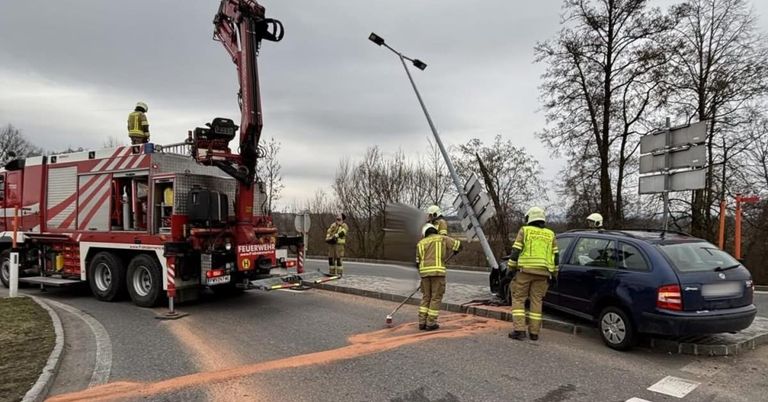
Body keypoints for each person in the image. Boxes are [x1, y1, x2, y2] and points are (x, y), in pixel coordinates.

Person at [507, 206, 559, 341]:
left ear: (529, 218)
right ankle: (534, 333)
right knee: (537, 301)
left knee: (519, 299)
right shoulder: (550, 234)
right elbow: (556, 256)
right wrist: (554, 274)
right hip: (543, 273)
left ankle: (519, 330)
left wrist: (510, 269)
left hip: (525, 271)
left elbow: (516, 251)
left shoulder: (525, 230)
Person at [416, 223, 461, 331]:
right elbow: (458, 245)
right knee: (435, 297)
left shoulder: (420, 243)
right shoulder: (442, 238)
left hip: (424, 274)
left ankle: (422, 322)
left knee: (426, 297)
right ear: (434, 230)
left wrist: (423, 274)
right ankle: (431, 323)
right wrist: (456, 250)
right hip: (437, 273)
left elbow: (417, 262)